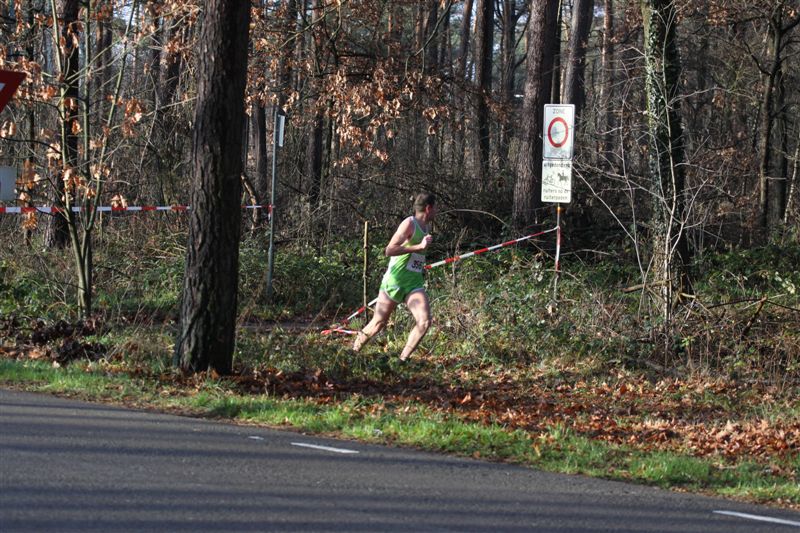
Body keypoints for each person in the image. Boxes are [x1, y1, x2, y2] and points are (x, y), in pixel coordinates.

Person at [353, 193, 437, 361]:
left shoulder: (426, 227)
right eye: (436, 208)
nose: (437, 212)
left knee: (425, 321)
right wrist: (418, 246)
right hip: (394, 282)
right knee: (377, 324)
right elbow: (389, 250)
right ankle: (352, 354)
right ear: (428, 208)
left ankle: (402, 361)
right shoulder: (409, 224)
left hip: (413, 285)